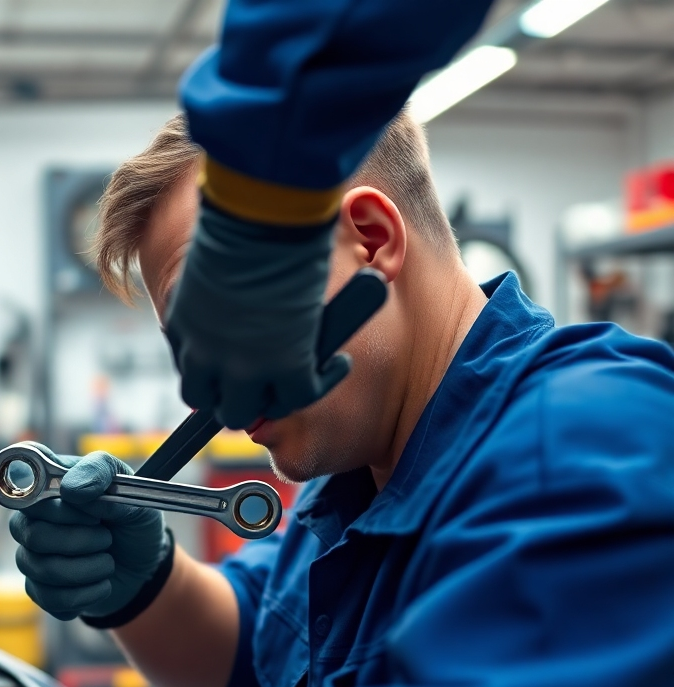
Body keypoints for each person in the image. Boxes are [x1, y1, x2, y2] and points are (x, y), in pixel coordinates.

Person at [10, 111, 674, 687]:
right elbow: (248, 656)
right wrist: (141, 583)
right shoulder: (366, 467)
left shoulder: (584, 464)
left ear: (371, 242)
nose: (203, 391)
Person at [166, 0, 497, 428]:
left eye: (222, 323)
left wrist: (253, 203)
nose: (218, 385)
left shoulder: (562, 446)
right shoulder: (353, 481)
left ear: (372, 240)